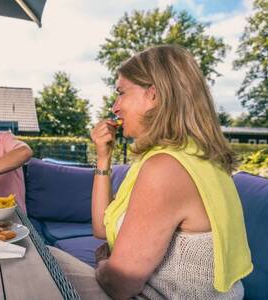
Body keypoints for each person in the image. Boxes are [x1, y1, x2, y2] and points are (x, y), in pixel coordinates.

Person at [50, 45, 253, 299]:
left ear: (153, 95)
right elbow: (103, 229)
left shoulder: (166, 168)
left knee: (47, 262)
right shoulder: (190, 157)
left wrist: (104, 263)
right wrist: (103, 157)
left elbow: (119, 285)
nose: (115, 106)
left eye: (121, 93)